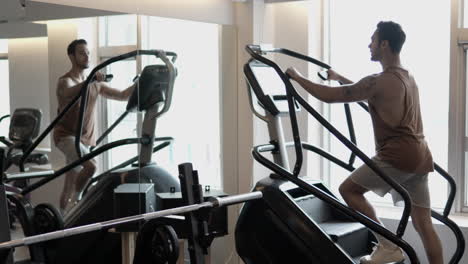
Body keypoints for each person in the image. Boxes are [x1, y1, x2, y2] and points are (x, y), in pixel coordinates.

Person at [286, 21, 443, 264]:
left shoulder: (379, 80)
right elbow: (366, 91)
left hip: (397, 156)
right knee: (424, 224)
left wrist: (297, 78)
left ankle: (389, 246)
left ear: (384, 44)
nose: (368, 45)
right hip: (420, 156)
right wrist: (339, 77)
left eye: (373, 40)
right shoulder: (406, 77)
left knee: (348, 190)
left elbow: (332, 97)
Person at [54, 39, 135, 214]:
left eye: (88, 53)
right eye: (82, 53)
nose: (87, 56)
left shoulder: (94, 83)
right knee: (91, 167)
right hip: (66, 137)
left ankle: (61, 222)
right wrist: (90, 80)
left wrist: (139, 84)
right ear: (71, 56)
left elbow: (122, 95)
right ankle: (77, 207)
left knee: (69, 185)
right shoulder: (65, 81)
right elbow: (68, 93)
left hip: (84, 140)